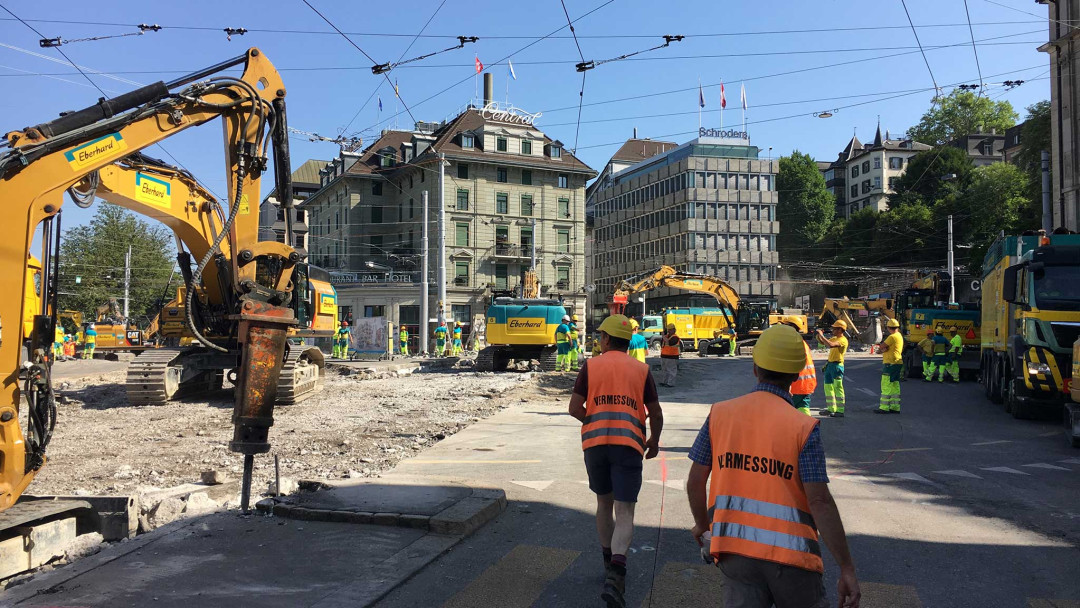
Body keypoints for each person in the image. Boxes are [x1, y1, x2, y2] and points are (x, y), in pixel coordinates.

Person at [686, 324, 861, 608]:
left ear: (755, 368)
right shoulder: (803, 427)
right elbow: (819, 501)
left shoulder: (720, 413)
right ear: (795, 375)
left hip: (734, 552)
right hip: (791, 560)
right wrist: (847, 568)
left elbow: (695, 482)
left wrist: (702, 527)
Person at [567, 314, 663, 608]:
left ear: (607, 340)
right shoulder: (641, 369)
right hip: (628, 447)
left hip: (595, 446)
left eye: (600, 337)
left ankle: (608, 563)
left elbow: (574, 408)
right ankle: (617, 572)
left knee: (603, 504)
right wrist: (654, 441)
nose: (598, 340)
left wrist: (595, 419)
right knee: (625, 512)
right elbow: (655, 412)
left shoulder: (591, 365)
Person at [815, 320, 848, 417]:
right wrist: (819, 335)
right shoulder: (835, 338)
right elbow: (823, 342)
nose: (832, 330)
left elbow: (831, 345)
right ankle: (831, 409)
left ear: (840, 329)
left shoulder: (843, 340)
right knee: (828, 388)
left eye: (834, 328)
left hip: (837, 366)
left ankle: (840, 410)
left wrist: (822, 335)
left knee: (838, 388)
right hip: (830, 365)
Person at [784, 320, 816, 415]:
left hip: (796, 385)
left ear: (793, 328)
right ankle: (806, 428)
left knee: (788, 411)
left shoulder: (792, 343)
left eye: (787, 326)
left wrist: (788, 386)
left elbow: (791, 365)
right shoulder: (802, 342)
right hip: (807, 385)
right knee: (803, 407)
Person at [876, 318, 904, 414]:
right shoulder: (899, 335)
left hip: (890, 363)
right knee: (895, 385)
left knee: (886, 385)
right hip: (897, 362)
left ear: (888, 328)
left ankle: (884, 407)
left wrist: (882, 349)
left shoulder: (892, 337)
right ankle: (895, 407)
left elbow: (882, 346)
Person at [659, 323, 681, 387]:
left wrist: (663, 336)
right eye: (669, 330)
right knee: (664, 370)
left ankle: (670, 383)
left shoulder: (675, 337)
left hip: (672, 357)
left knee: (671, 370)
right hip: (664, 356)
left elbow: (669, 343)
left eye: (670, 330)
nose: (669, 331)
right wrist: (663, 336)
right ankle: (664, 382)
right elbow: (662, 344)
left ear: (674, 330)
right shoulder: (666, 337)